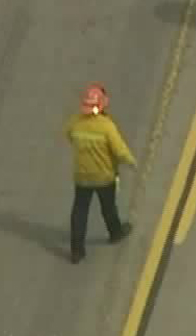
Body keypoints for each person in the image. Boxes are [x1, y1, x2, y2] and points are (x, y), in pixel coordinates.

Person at [64, 84, 135, 264]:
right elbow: (119, 150)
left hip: (82, 176)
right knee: (108, 207)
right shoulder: (106, 126)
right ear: (102, 105)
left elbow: (68, 135)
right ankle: (115, 232)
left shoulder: (75, 121)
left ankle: (77, 251)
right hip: (104, 176)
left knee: (79, 211)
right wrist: (130, 161)